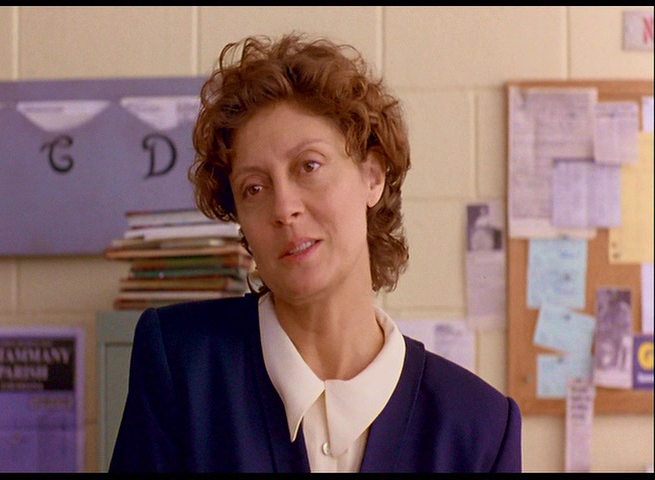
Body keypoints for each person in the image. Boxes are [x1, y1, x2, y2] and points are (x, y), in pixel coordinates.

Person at [108, 32, 522, 473]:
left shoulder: (479, 427)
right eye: (254, 188)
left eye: (309, 166)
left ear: (372, 176)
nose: (284, 208)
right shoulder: (183, 367)